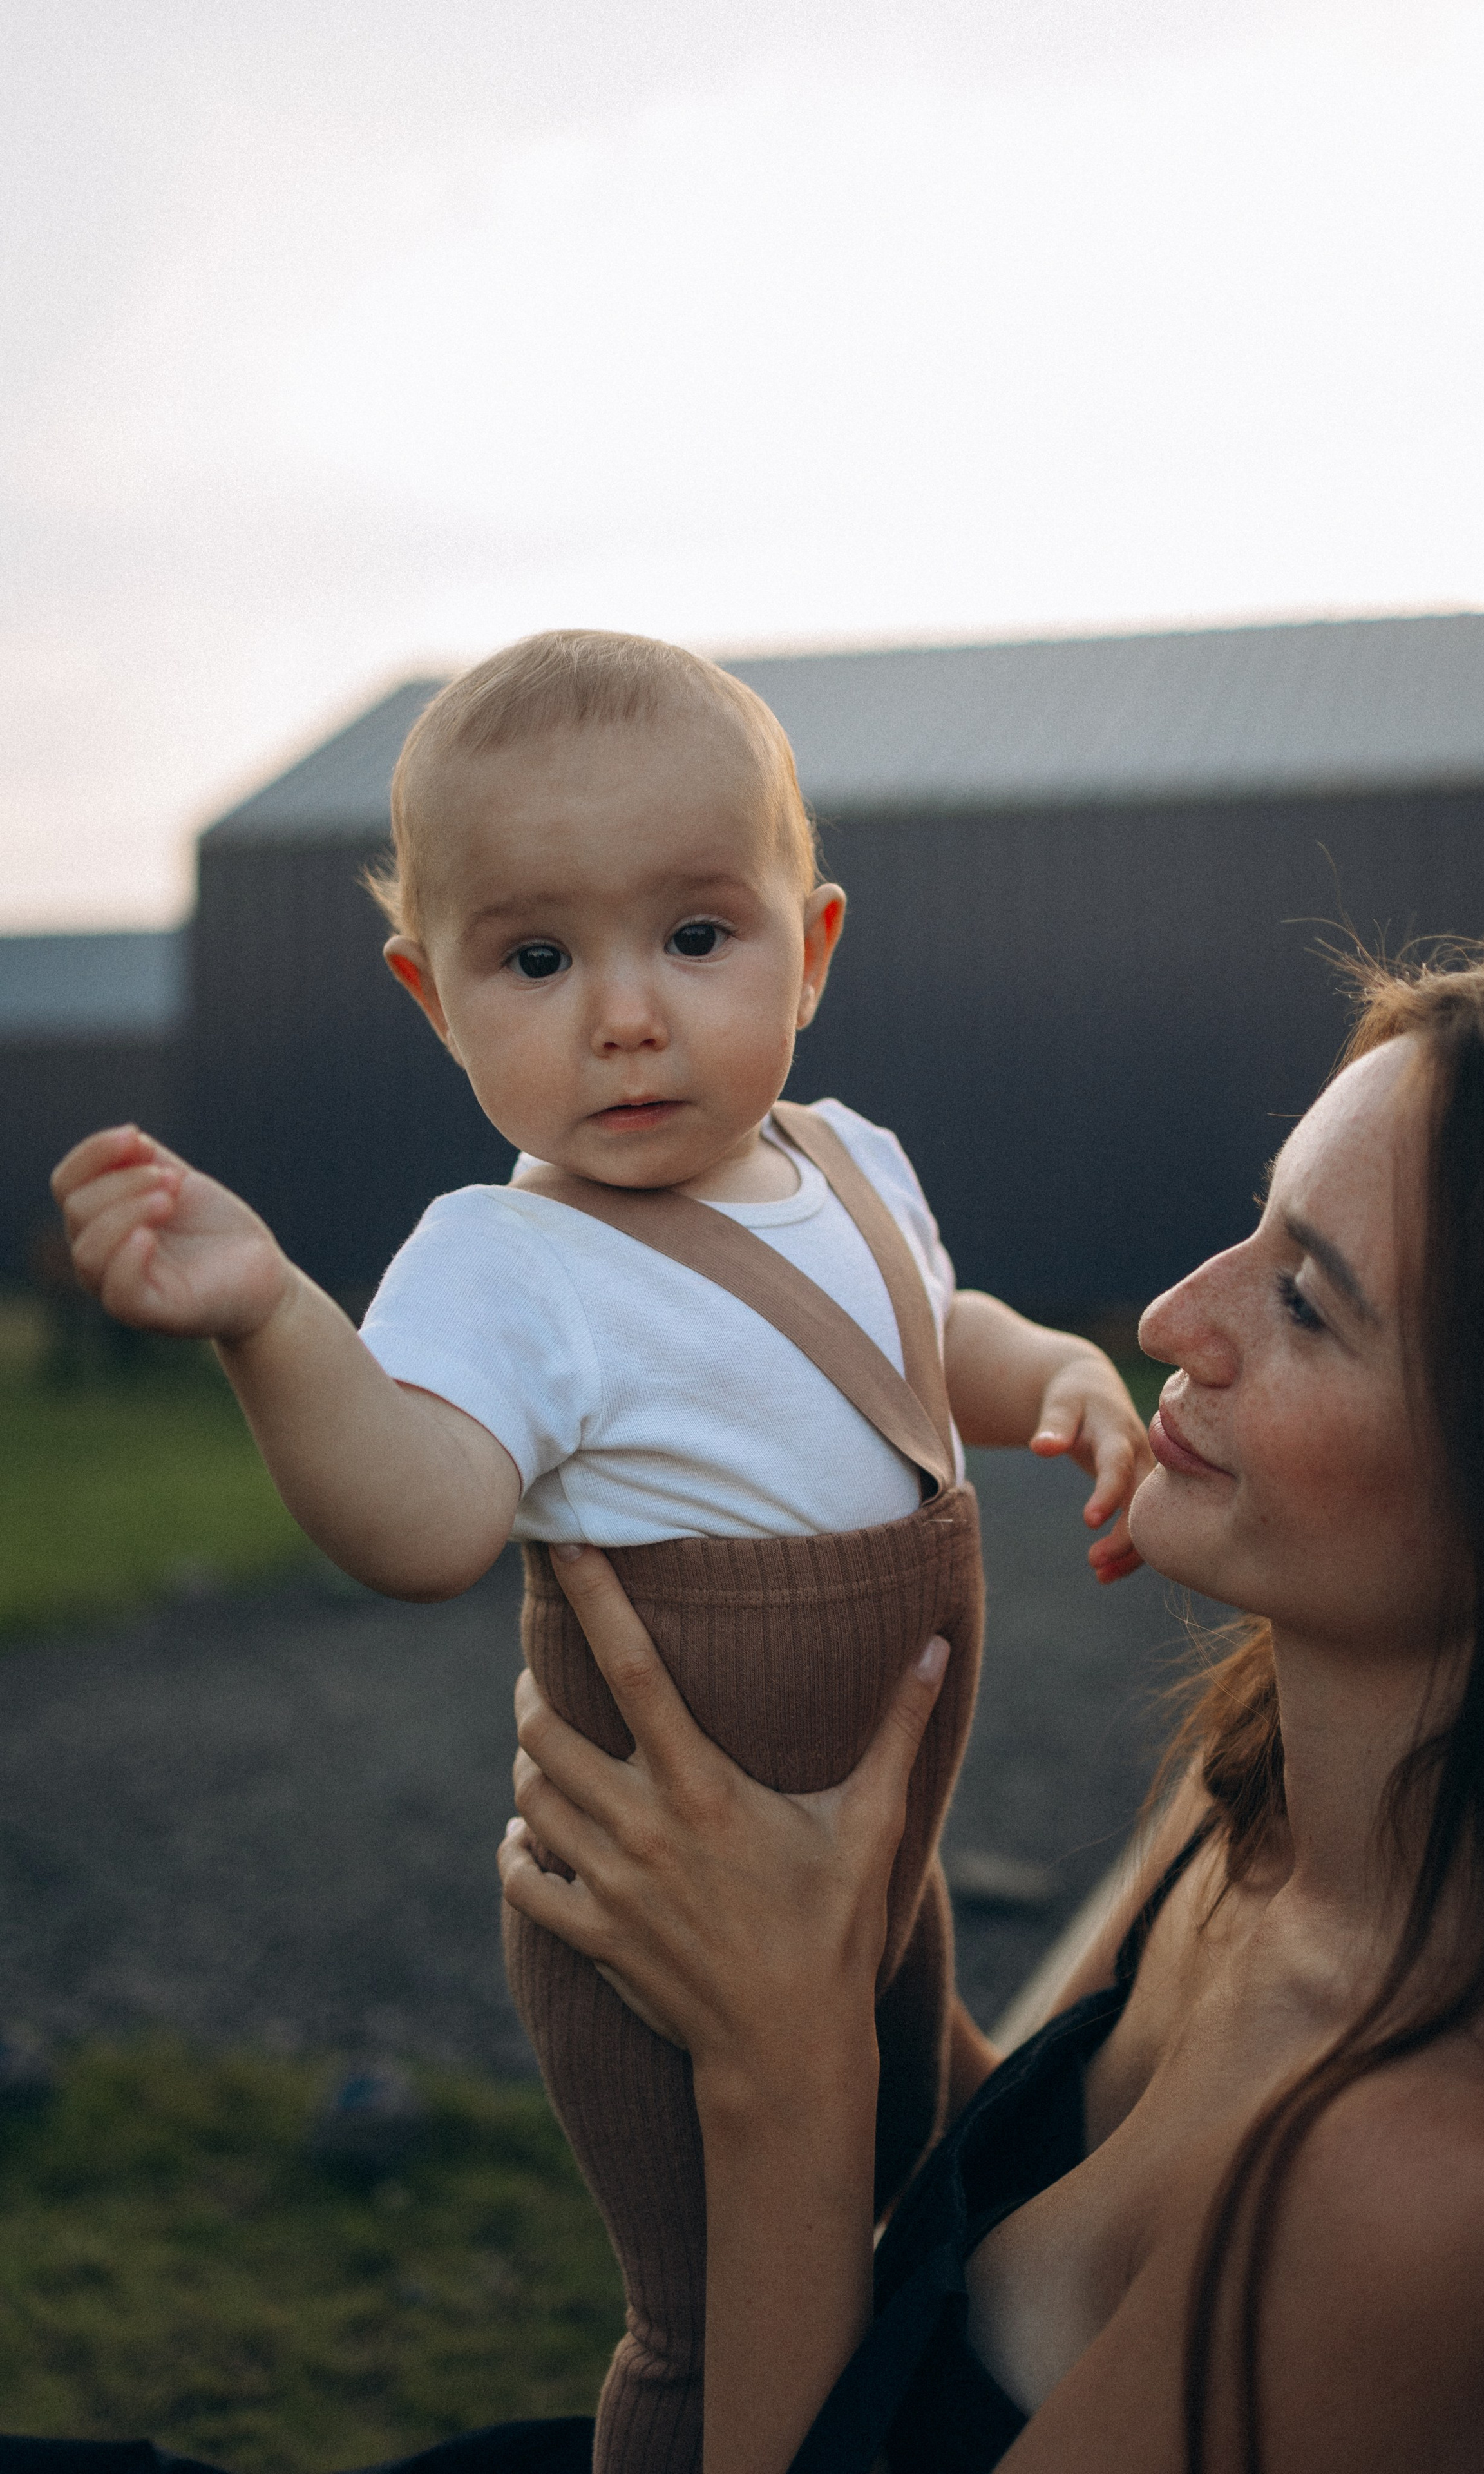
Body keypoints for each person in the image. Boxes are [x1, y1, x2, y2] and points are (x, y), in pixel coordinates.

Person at [48, 629, 1151, 2474]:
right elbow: (424, 1520)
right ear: (434, 997)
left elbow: (922, 1339)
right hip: (661, 1935)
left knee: (965, 2182)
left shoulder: (856, 1162)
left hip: (879, 1873)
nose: (625, 1015)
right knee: (716, 2320)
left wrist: (1057, 1374)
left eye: (695, 938)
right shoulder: (509, 1265)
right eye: (538, 958)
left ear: (812, 945)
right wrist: (272, 1322)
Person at [499, 896, 1484, 2473]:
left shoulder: (1438, 2198)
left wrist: (784, 2063)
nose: (1176, 1318)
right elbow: (985, 2194)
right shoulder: (1246, 1801)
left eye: (1305, 1301)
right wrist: (803, 1875)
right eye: (1256, 1218)